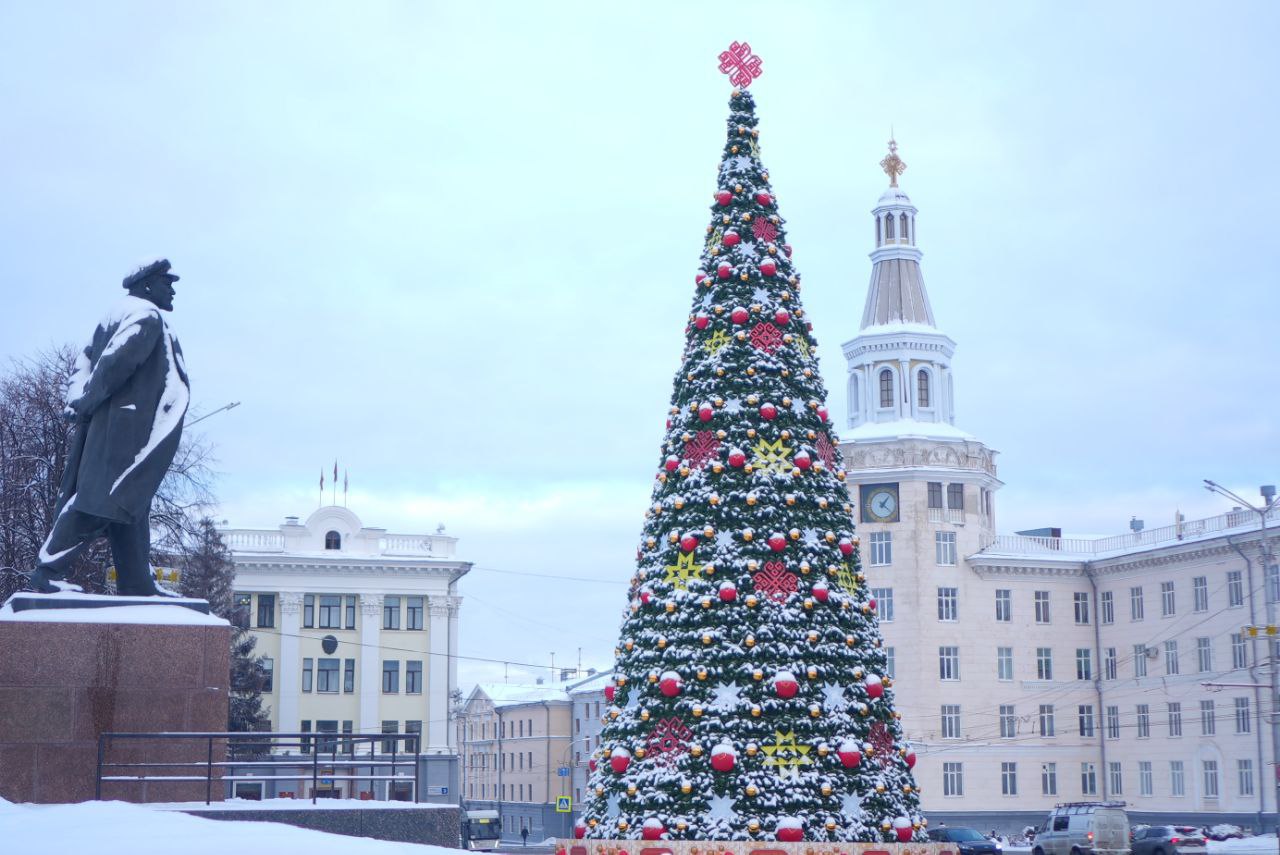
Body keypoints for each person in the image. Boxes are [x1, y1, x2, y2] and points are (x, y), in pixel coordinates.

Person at [27, 259, 190, 596]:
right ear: (147, 285)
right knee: (99, 501)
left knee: (131, 504)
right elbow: (114, 364)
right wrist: (85, 402)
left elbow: (84, 362)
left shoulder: (113, 315)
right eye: (167, 282)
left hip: (115, 428)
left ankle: (137, 582)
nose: (172, 290)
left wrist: (76, 400)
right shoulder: (146, 316)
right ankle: (48, 572)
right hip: (125, 433)